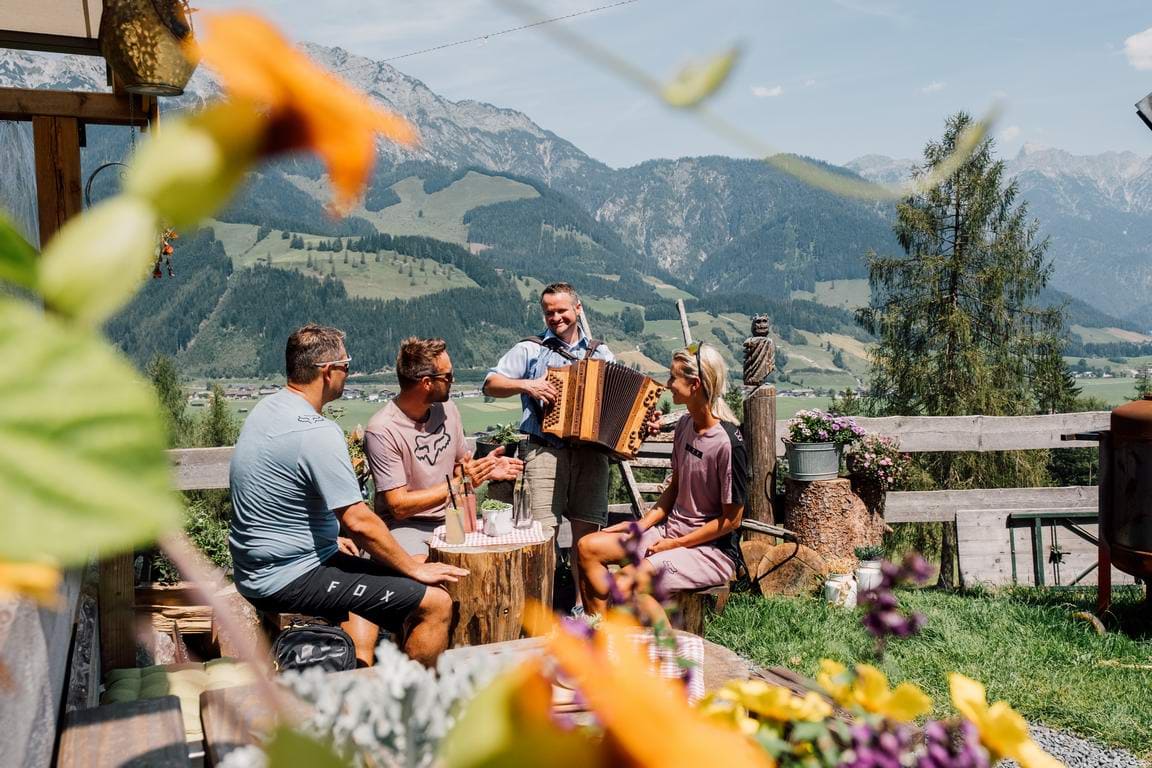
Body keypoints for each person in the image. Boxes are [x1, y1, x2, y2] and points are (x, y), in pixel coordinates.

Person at [229, 324, 467, 667]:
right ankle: (412, 697)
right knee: (435, 603)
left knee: (381, 583)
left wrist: (323, 539)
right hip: (288, 577)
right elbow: (358, 522)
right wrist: (416, 570)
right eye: (346, 366)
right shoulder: (316, 432)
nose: (348, 374)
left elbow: (275, 501)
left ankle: (366, 673)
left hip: (258, 567)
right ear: (327, 372)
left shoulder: (267, 409)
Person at [576, 342, 747, 617]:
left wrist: (674, 545)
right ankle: (600, 633)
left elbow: (732, 520)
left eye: (672, 377)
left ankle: (664, 644)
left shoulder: (728, 443)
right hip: (670, 533)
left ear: (695, 385)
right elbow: (675, 487)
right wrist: (640, 526)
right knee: (588, 548)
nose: (668, 384)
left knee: (625, 583)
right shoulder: (685, 425)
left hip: (711, 552)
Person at [483, 283, 615, 600]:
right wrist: (528, 385)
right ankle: (543, 611)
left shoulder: (601, 353)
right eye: (549, 312)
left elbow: (617, 403)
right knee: (542, 536)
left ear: (578, 309)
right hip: (544, 451)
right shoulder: (530, 349)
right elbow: (490, 383)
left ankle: (586, 612)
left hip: (591, 457)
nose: (555, 318)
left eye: (561, 310)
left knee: (588, 541)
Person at [365, 337, 524, 560]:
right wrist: (460, 482)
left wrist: (485, 469)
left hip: (453, 516)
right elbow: (399, 506)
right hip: (405, 525)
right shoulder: (382, 430)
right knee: (424, 568)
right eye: (448, 376)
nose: (453, 380)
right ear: (427, 383)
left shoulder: (447, 409)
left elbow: (460, 467)